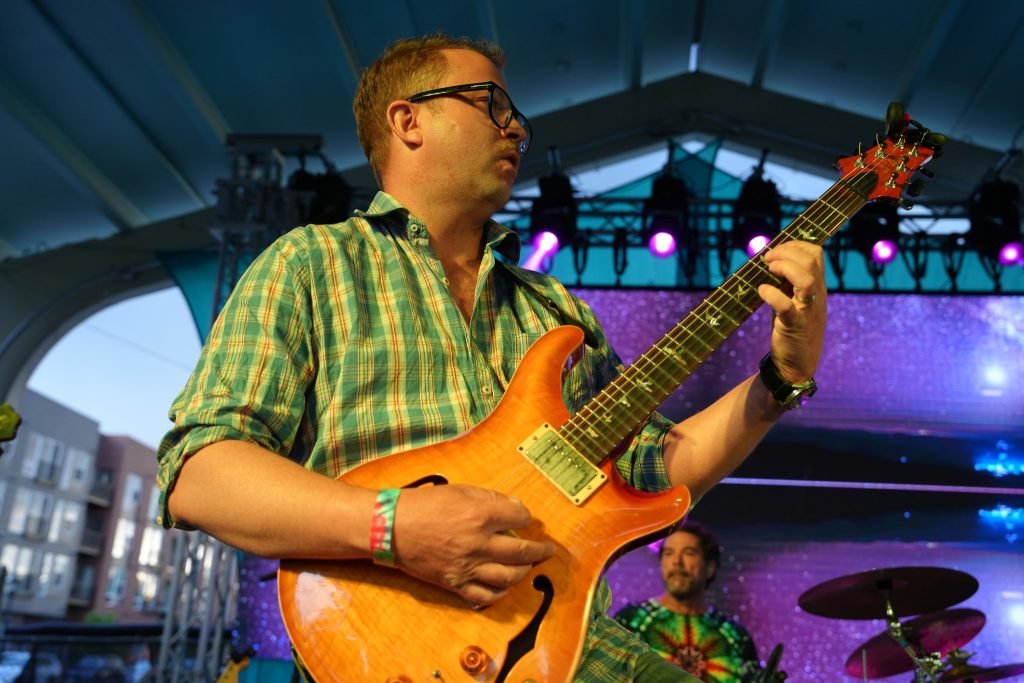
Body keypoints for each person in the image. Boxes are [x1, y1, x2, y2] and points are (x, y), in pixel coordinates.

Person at [156, 33, 826, 682]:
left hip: (565, 645)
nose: (515, 129)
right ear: (408, 120)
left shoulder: (554, 310)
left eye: (515, 116)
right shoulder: (312, 263)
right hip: (382, 651)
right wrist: (393, 526)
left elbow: (654, 469)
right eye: (491, 104)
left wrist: (781, 379)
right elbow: (199, 472)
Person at [615, 521, 761, 682]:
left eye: (689, 553)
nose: (677, 561)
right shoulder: (631, 621)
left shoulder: (735, 636)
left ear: (710, 567)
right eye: (669, 553)